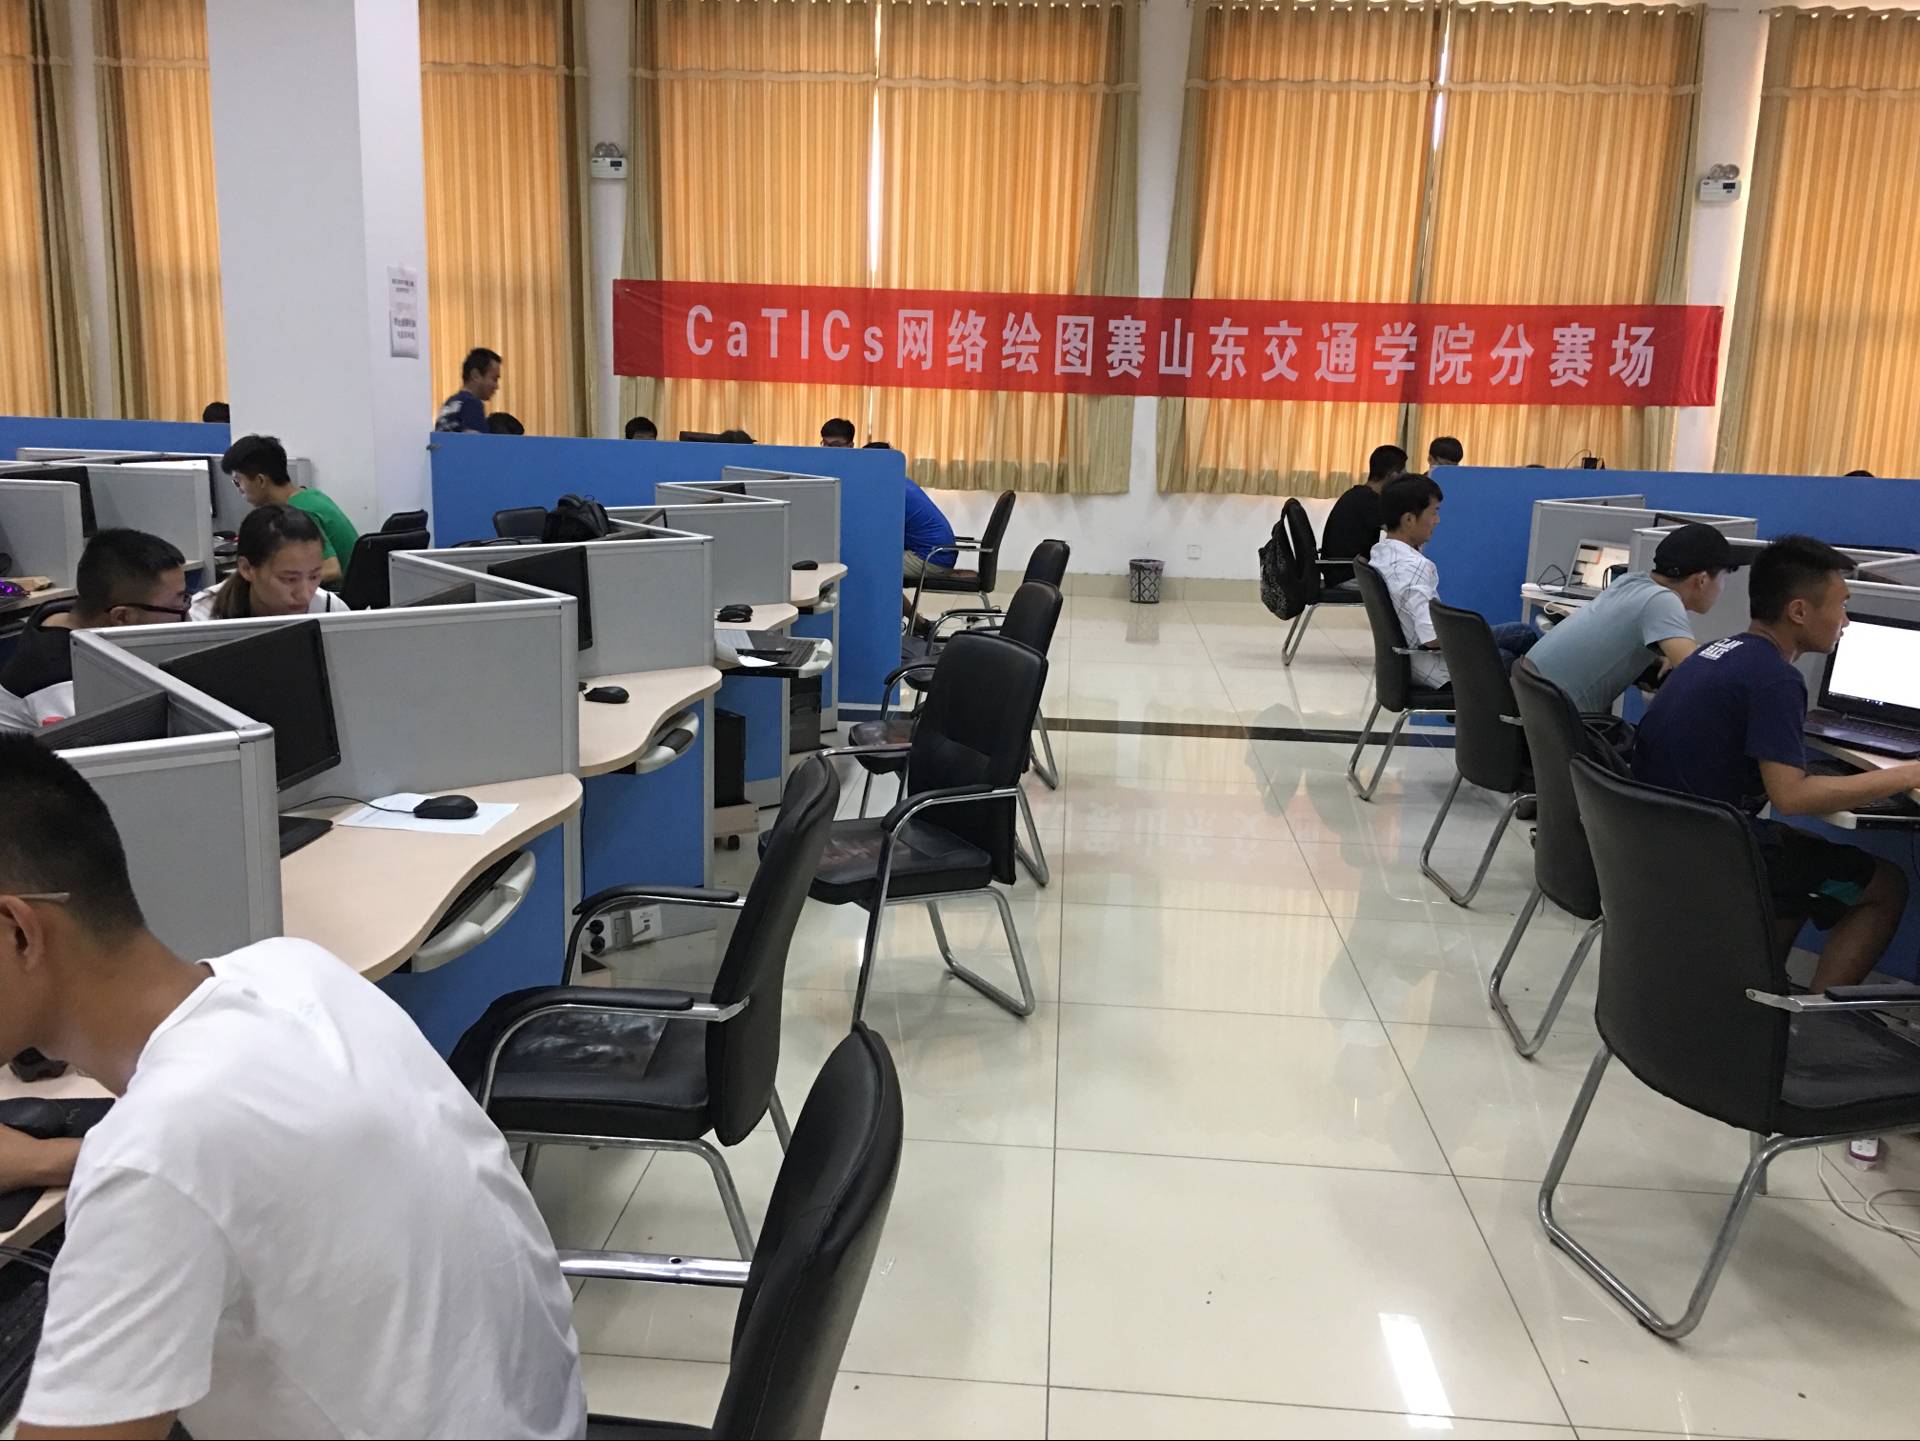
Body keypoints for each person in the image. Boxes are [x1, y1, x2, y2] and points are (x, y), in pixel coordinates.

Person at [0, 738, 586, 1438]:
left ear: (19, 932)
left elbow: (171, 1166)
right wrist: (49, 1160)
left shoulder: (156, 1157)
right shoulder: (293, 969)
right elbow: (216, 1167)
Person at [1634, 535, 1920, 993]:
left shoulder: (1717, 652)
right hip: (1713, 854)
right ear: (1799, 611)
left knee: (1804, 853)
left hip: (1658, 841)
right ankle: (1813, 1019)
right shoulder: (1774, 679)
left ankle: (1760, 993)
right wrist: (1906, 774)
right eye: (1841, 605)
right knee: (1886, 885)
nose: (1846, 621)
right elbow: (1791, 796)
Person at [1525, 523, 1738, 713]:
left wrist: (1662, 654)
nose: (1722, 587)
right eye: (1724, 579)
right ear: (1702, 580)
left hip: (1534, 708)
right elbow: (1697, 675)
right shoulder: (1662, 600)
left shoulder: (1629, 581)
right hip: (1562, 721)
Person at [0, 531, 189, 722]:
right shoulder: (63, 684)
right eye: (177, 605)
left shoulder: (70, 615)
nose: (185, 614)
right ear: (122, 617)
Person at [1368, 474, 1536, 689]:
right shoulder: (1413, 566)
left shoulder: (1380, 553)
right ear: (1409, 519)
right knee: (1517, 651)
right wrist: (1469, 632)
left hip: (1404, 660)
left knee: (1517, 637)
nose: (1437, 520)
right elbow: (1432, 637)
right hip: (1433, 667)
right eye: (1434, 512)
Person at [221, 434, 359, 584]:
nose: (239, 489)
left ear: (261, 480)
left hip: (339, 596)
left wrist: (274, 582)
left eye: (237, 481)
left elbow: (331, 569)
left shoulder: (299, 512)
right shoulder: (309, 496)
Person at [190, 505, 351, 621]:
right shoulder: (203, 617)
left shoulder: (330, 610)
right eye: (290, 579)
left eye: (314, 576)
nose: (304, 595)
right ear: (246, 568)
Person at [1320, 443, 1407, 586]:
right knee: (1403, 585)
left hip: (1343, 571)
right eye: (1403, 474)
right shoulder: (1368, 500)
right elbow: (1400, 534)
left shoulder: (1360, 495)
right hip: (1347, 574)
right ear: (1391, 474)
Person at [436, 346, 502, 433]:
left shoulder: (449, 403)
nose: (496, 386)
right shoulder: (472, 404)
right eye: (494, 379)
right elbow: (476, 441)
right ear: (475, 375)